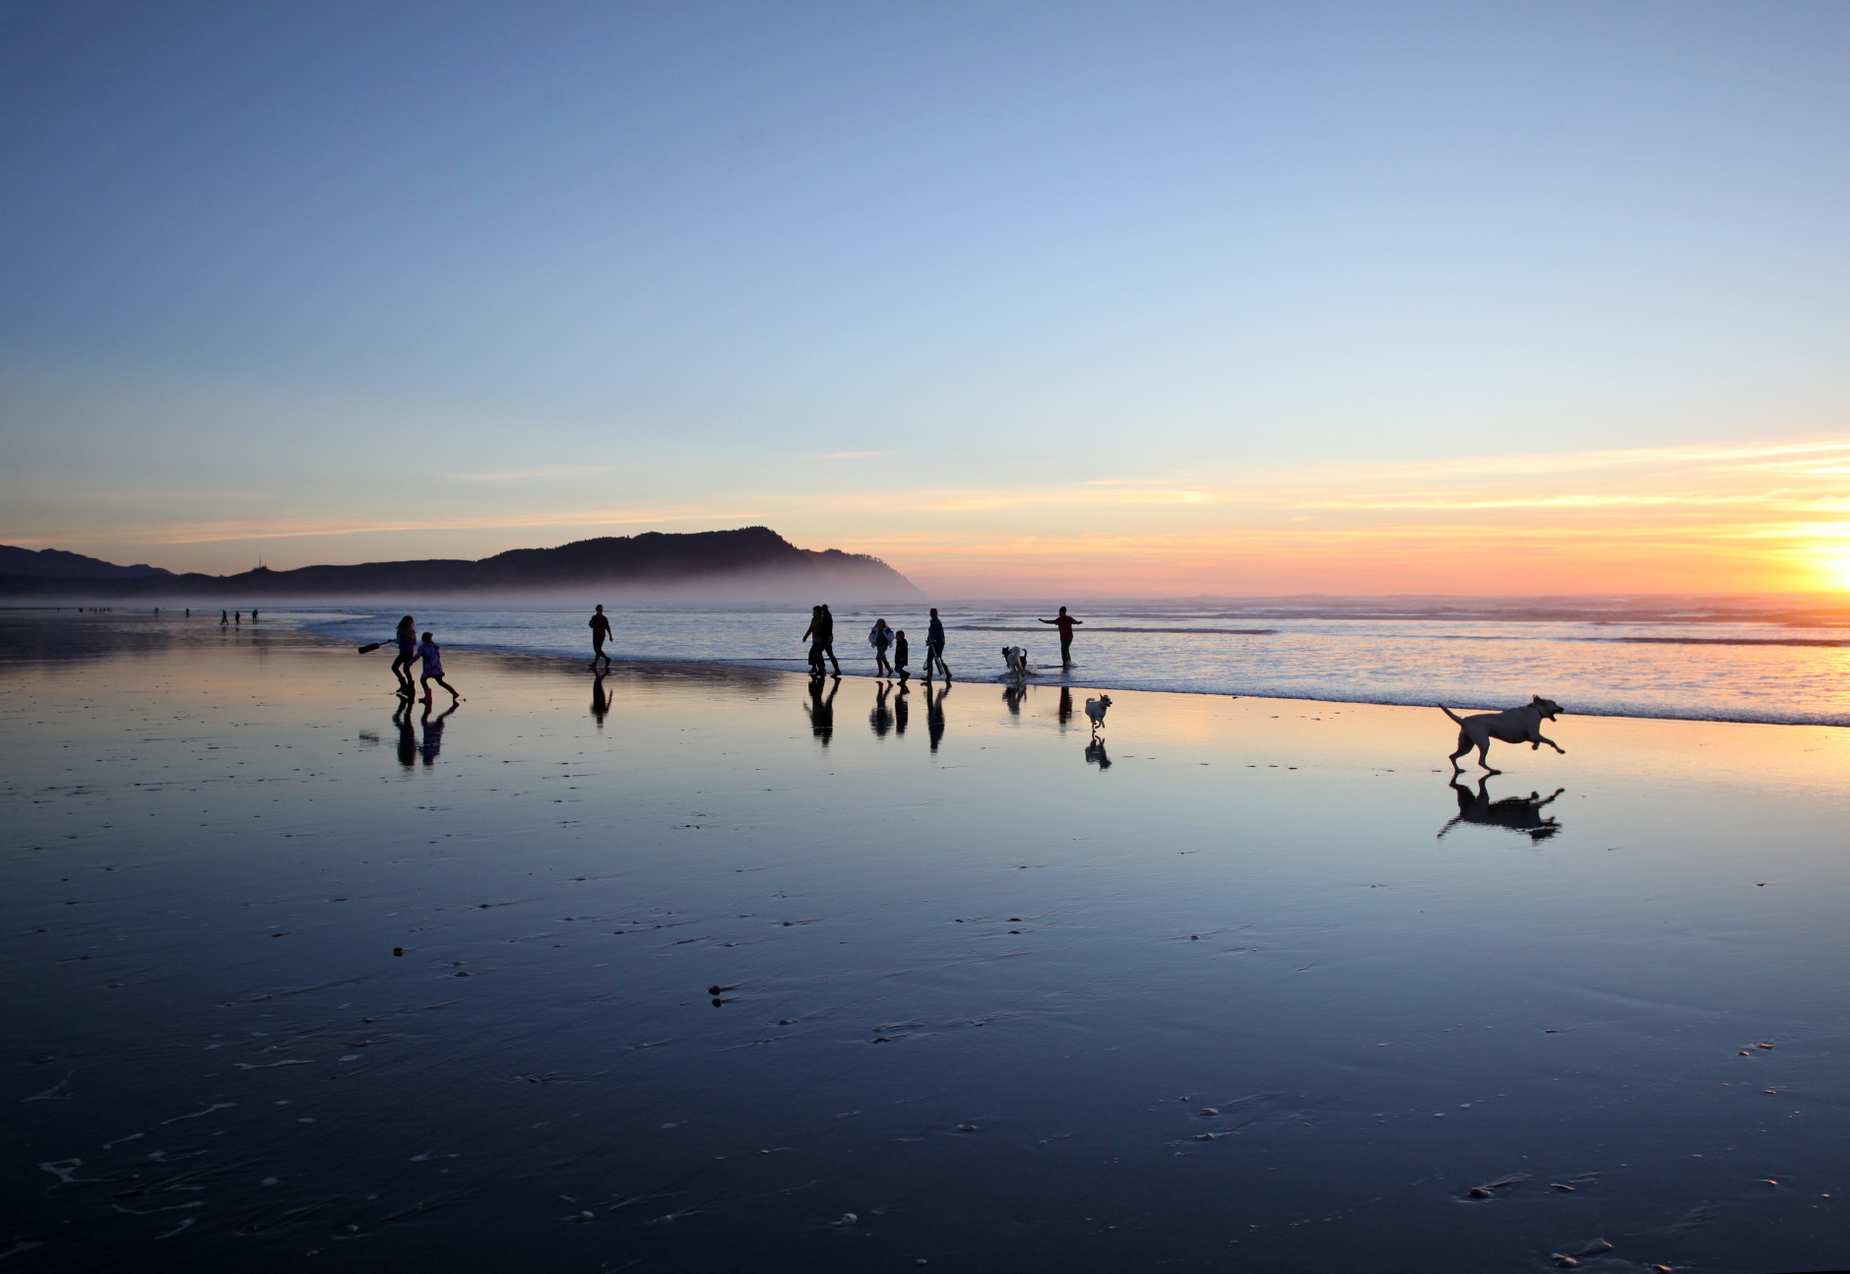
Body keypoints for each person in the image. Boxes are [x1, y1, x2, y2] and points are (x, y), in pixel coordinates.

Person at [416, 630, 462, 704]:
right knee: (440, 682)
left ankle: (428, 697)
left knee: (423, 680)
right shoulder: (434, 646)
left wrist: (410, 662)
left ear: (423, 639)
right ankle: (454, 693)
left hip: (429, 668)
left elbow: (417, 656)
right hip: (437, 667)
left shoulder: (423, 647)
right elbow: (438, 657)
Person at [390, 615, 417, 698]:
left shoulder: (400, 631)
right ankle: (409, 687)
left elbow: (399, 641)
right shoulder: (412, 631)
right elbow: (414, 642)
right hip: (409, 652)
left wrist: (395, 641)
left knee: (395, 667)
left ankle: (405, 685)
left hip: (404, 652)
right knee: (406, 669)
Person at [923, 607, 950, 680]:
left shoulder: (935, 622)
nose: (931, 614)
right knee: (937, 659)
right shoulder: (935, 621)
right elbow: (932, 634)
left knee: (931, 659)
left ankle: (929, 676)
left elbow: (937, 634)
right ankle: (947, 673)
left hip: (936, 643)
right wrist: (929, 640)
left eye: (931, 613)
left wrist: (932, 641)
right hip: (937, 643)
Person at [801, 605, 826, 676]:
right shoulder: (814, 619)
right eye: (813, 611)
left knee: (814, 653)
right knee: (815, 654)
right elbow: (810, 628)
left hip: (820, 641)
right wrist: (805, 636)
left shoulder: (821, 618)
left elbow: (825, 630)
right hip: (815, 640)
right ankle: (816, 668)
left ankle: (821, 669)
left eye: (814, 611)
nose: (813, 612)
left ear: (818, 612)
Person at [588, 604, 614, 671]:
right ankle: (597, 662)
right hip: (595, 634)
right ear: (597, 610)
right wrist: (591, 624)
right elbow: (591, 625)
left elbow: (607, 627)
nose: (601, 610)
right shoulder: (594, 617)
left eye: (601, 609)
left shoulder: (604, 618)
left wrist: (610, 636)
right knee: (596, 649)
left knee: (597, 649)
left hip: (601, 635)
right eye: (599, 609)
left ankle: (606, 659)